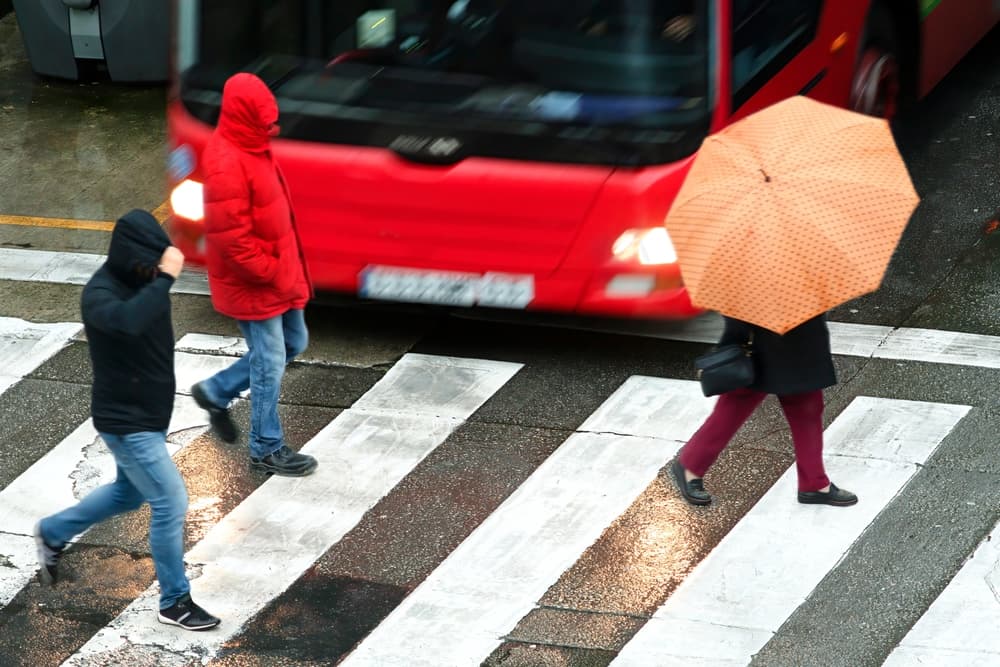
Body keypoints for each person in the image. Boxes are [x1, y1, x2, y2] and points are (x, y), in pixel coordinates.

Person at [34, 209, 220, 631]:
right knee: (170, 501)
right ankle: (175, 601)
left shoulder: (144, 278)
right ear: (130, 257)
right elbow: (131, 323)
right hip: (126, 420)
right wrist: (168, 278)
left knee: (126, 494)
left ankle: (53, 531)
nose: (156, 269)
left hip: (151, 413)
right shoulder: (100, 294)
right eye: (150, 263)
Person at [190, 72, 318, 478]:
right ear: (246, 115)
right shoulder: (228, 161)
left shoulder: (252, 144)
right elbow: (233, 240)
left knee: (294, 341)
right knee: (269, 359)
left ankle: (216, 390)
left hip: (277, 275)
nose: (270, 126)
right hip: (256, 283)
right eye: (263, 120)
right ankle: (266, 447)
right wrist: (271, 270)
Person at [671, 314, 858, 507]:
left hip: (799, 330)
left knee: (806, 404)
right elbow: (741, 298)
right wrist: (735, 337)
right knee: (740, 400)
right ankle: (690, 465)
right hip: (766, 332)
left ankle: (814, 482)